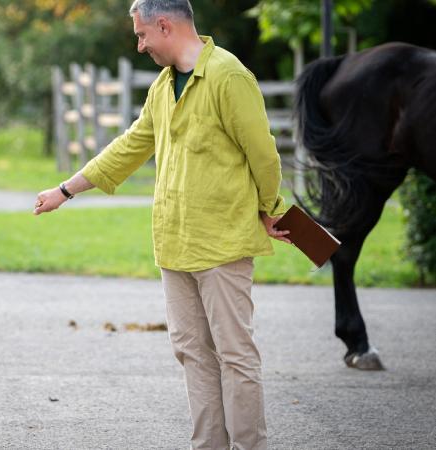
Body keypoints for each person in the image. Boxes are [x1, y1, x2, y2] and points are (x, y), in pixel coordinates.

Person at [33, 1, 291, 449]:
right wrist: (66, 190)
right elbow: (130, 146)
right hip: (174, 245)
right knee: (192, 355)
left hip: (223, 244)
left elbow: (263, 154)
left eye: (141, 35)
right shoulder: (163, 85)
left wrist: (271, 207)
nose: (140, 46)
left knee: (235, 356)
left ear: (165, 25)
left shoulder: (228, 76)